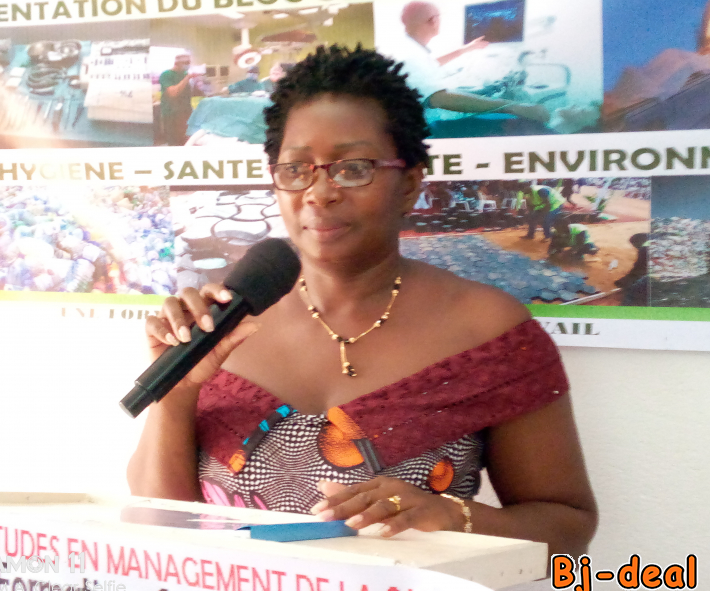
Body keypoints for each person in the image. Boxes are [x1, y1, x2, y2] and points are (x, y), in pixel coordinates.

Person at [127, 46, 597, 558]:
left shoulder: (489, 331)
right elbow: (158, 522)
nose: (319, 192)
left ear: (410, 184)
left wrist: (452, 517)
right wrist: (177, 392)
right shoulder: (222, 322)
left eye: (353, 168)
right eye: (296, 168)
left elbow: (567, 527)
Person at [390, 1, 551, 138]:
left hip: (414, 125)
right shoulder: (411, 55)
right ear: (433, 21)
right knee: (515, 121)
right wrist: (512, 106)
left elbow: (429, 64)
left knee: (496, 108)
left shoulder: (407, 48)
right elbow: (440, 98)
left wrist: (465, 50)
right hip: (423, 132)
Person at [159, 53, 193, 146]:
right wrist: (187, 78)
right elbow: (173, 93)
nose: (188, 65)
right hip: (172, 114)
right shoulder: (166, 75)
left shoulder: (184, 74)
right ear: (177, 63)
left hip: (186, 112)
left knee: (186, 141)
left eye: (189, 62)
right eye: (186, 63)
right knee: (174, 141)